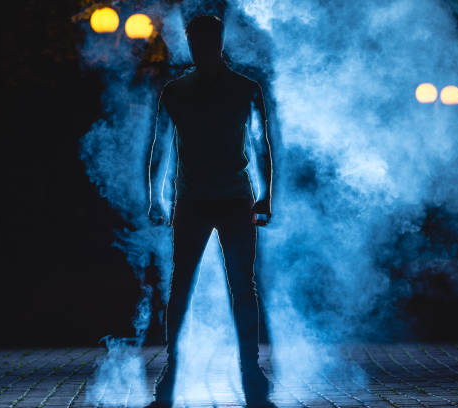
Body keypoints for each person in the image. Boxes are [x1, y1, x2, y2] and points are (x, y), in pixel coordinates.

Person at [146, 15, 274, 408]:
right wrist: (266, 196)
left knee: (192, 286)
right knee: (230, 288)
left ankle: (188, 374)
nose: (201, 48)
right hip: (218, 197)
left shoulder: (183, 90)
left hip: (208, 198)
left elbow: (161, 148)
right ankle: (246, 374)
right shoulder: (239, 89)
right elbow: (261, 146)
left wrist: (157, 198)